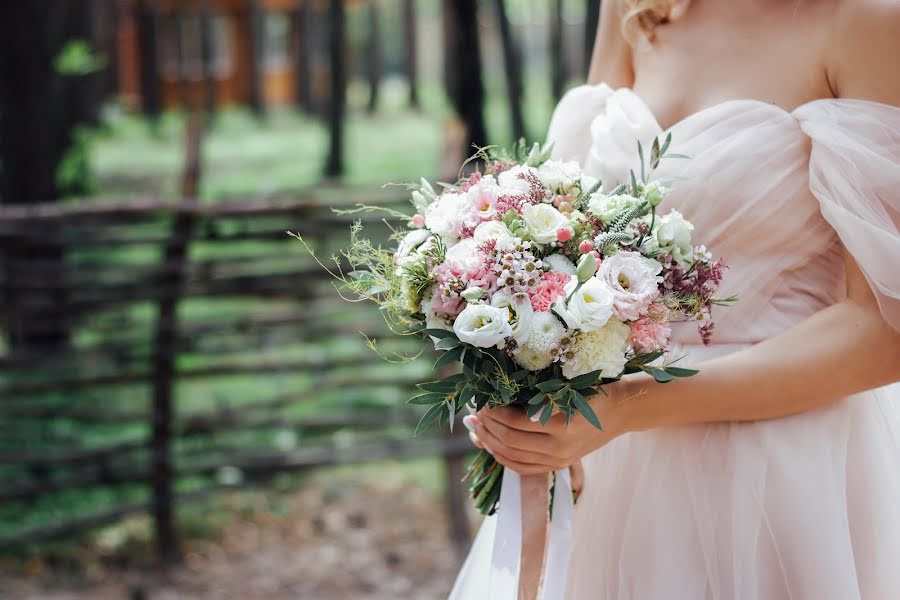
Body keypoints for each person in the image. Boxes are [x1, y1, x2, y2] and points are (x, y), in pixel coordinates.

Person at [452, 0, 900, 597]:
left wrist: (631, 407)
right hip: (604, 458)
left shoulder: (869, 22)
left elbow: (884, 332)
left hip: (779, 473)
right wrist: (530, 389)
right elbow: (574, 229)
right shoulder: (638, 9)